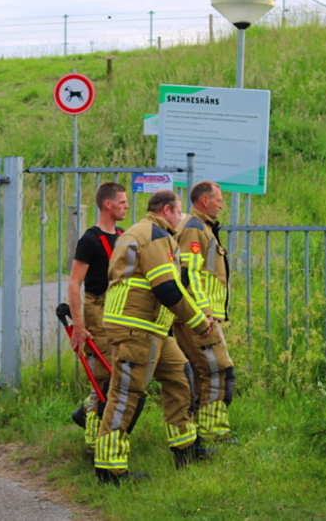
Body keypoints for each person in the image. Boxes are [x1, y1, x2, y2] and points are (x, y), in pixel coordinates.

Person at [94, 190, 214, 483]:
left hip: (153, 329)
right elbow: (167, 289)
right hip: (137, 327)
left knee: (180, 377)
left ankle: (186, 448)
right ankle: (110, 469)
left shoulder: (145, 232)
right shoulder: (155, 235)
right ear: (166, 210)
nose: (182, 217)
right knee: (126, 395)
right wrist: (199, 322)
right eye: (178, 211)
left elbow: (172, 285)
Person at [66, 182, 129, 456]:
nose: (126, 206)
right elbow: (74, 284)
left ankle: (85, 416)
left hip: (120, 311)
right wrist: (79, 326)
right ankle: (93, 444)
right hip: (97, 310)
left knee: (119, 375)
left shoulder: (124, 236)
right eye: (123, 202)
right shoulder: (90, 240)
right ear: (108, 204)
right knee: (101, 379)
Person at [175, 181, 235, 443]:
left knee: (210, 369)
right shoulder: (194, 228)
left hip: (205, 315)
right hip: (198, 317)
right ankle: (213, 432)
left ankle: (203, 430)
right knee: (216, 368)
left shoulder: (204, 227)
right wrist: (204, 312)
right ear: (204, 201)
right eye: (218, 200)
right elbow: (189, 274)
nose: (221, 205)